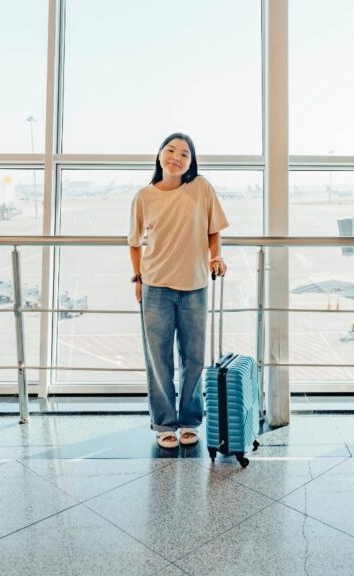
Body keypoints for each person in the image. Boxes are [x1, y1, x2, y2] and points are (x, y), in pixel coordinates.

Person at [128, 133, 229, 449]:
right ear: (160, 155)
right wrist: (138, 279)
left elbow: (214, 230)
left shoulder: (201, 187)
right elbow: (134, 243)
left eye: (185, 153)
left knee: (193, 358)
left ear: (191, 162)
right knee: (158, 360)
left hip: (195, 286)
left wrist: (216, 256)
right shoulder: (144, 196)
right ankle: (164, 423)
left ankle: (190, 421)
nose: (177, 156)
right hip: (156, 286)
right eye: (171, 150)